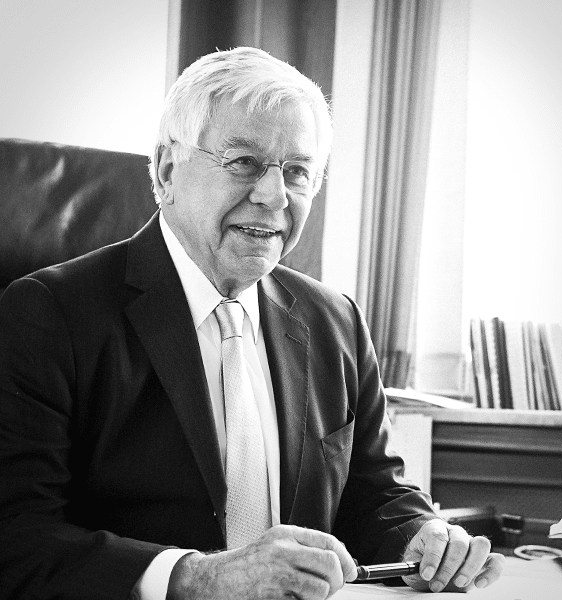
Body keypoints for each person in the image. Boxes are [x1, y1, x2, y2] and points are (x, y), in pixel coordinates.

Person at [0, 47, 504, 599]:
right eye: (243, 162)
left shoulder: (336, 321)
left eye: (297, 172)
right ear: (167, 170)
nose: (274, 196)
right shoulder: (47, 314)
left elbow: (375, 495)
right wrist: (197, 579)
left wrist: (422, 538)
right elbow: (17, 538)